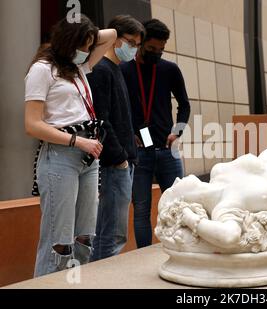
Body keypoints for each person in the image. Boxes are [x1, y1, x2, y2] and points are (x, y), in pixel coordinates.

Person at [24, 15, 117, 277]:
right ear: (67, 42)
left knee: (85, 237)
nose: (87, 51)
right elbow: (32, 125)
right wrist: (77, 140)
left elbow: (110, 35)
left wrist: (85, 33)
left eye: (89, 46)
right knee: (59, 242)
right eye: (82, 45)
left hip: (88, 157)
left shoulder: (79, 67)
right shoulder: (42, 69)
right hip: (61, 155)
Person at [121, 19, 191, 248]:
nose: (156, 54)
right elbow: (117, 108)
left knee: (177, 205)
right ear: (141, 43)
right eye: (151, 49)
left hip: (167, 149)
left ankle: (179, 249)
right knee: (141, 209)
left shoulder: (170, 70)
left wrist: (177, 130)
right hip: (139, 152)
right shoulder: (124, 70)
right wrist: (128, 134)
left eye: (161, 50)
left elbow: (184, 104)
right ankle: (144, 254)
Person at [87, 15, 144, 260]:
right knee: (110, 235)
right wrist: (120, 158)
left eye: (136, 45)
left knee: (113, 233)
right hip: (113, 165)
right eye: (130, 42)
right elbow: (102, 120)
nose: (133, 49)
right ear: (114, 38)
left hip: (124, 162)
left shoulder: (116, 70)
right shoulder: (100, 70)